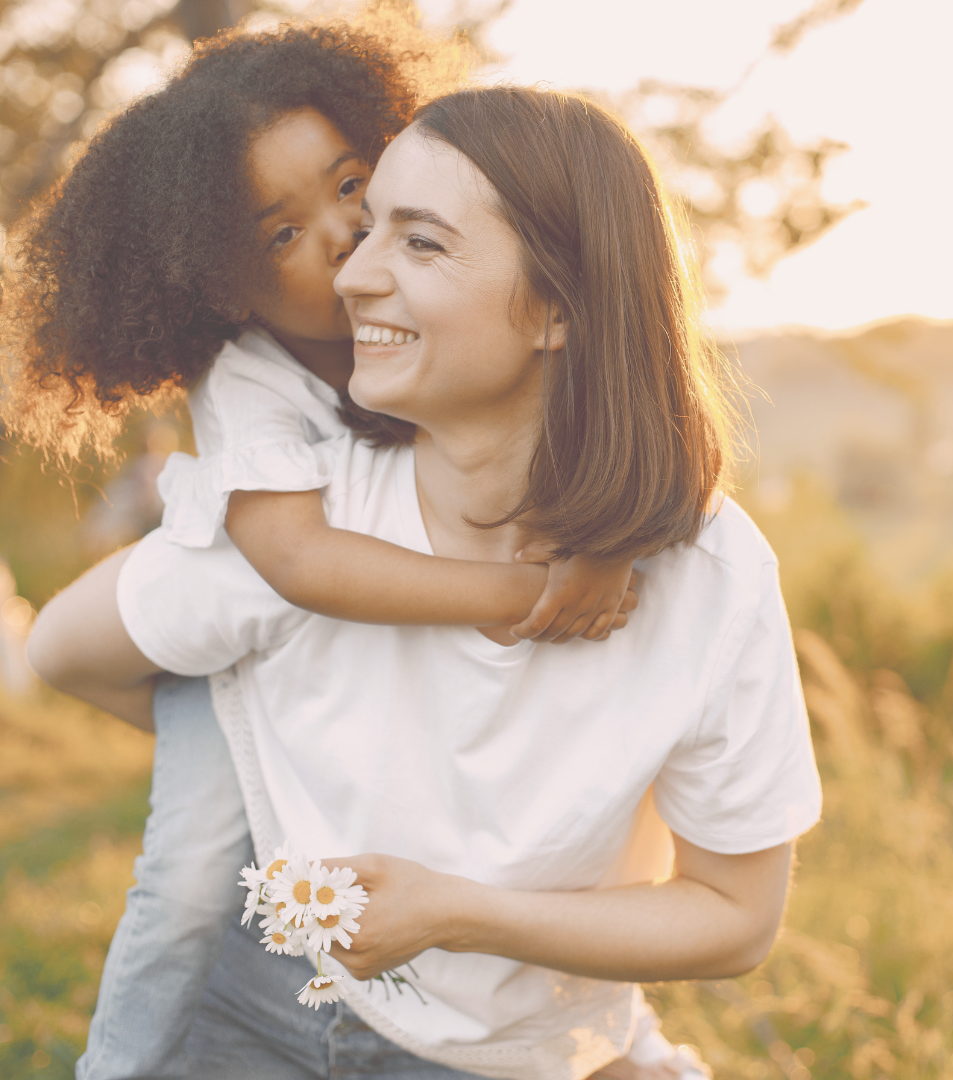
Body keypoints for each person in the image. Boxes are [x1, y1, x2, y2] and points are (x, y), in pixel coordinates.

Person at [29, 85, 822, 1080]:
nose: (352, 274)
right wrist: (268, 753)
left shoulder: (709, 578)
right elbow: (60, 652)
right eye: (370, 237)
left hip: (518, 1054)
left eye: (418, 241)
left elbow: (737, 919)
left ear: (557, 309)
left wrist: (458, 912)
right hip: (258, 1012)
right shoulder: (304, 536)